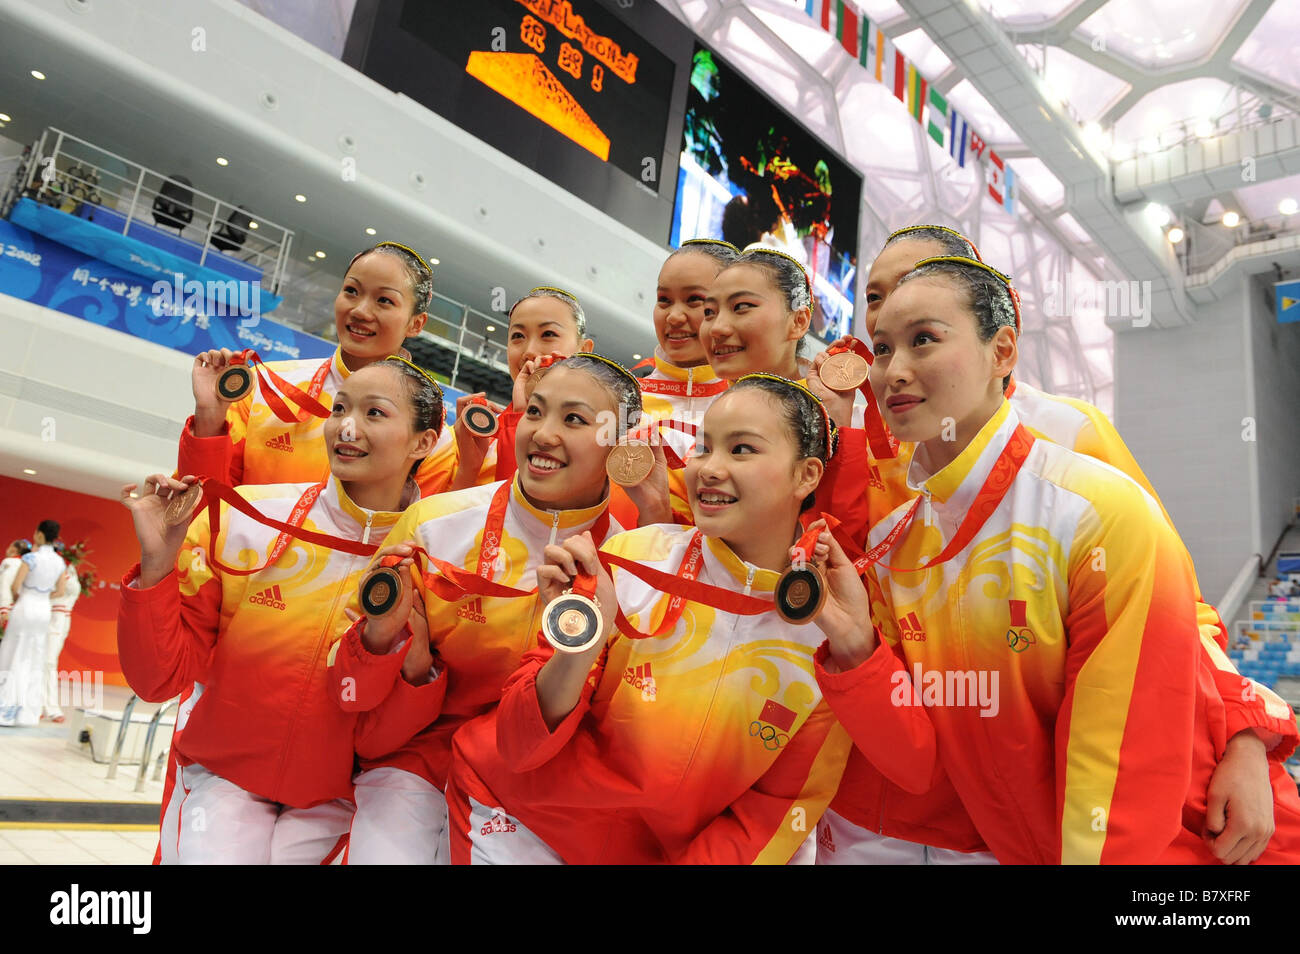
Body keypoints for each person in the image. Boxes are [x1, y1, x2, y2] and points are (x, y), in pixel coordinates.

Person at [813, 226, 1295, 865]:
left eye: (923, 313)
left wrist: (1246, 738)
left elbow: (1175, 614)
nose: (896, 315)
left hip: (1084, 825)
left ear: (994, 326)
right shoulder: (867, 452)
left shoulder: (1068, 441)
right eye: (879, 302)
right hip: (929, 806)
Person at [443, 375, 853, 864]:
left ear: (807, 475)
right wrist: (582, 648)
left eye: (741, 449)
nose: (709, 469)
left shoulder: (830, 622)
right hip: (519, 821)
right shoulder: (631, 558)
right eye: (703, 448)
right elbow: (518, 745)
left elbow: (777, 809)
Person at [117, 358, 447, 863]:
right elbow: (158, 681)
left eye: (375, 413)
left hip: (341, 799)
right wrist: (157, 566)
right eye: (339, 408)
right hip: (221, 777)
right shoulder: (246, 517)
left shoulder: (432, 559)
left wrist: (397, 648)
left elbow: (392, 730)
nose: (346, 427)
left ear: (423, 442)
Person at [335, 353, 638, 864]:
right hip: (417, 759)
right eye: (536, 412)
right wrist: (401, 654)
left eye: (574, 420)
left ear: (620, 445)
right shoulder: (434, 524)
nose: (542, 434)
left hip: (541, 783)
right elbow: (354, 685)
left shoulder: (631, 565)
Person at [177, 241, 459, 497]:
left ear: (416, 324)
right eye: (351, 291)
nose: (360, 310)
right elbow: (204, 506)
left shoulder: (428, 436)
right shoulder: (266, 387)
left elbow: (409, 537)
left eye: (384, 300)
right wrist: (210, 418)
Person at [448, 286, 594, 491]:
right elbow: (442, 518)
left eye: (548, 334)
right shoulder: (478, 435)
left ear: (584, 350)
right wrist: (468, 468)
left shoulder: (604, 436)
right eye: (518, 336)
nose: (530, 351)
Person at [636, 239, 738, 522]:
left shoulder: (755, 410)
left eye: (694, 299)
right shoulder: (616, 399)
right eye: (664, 300)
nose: (674, 316)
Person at [701, 246, 812, 385]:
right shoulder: (696, 397)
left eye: (741, 307)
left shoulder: (834, 404)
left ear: (798, 321)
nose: (716, 329)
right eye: (709, 312)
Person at [0, 522, 66, 726]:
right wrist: (44, 597)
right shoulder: (59, 562)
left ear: (38, 534)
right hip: (43, 610)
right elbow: (61, 591)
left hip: (25, 608)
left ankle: (5, 710)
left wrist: (25, 596)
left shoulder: (30, 558)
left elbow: (15, 586)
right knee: (34, 658)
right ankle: (27, 714)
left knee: (12, 654)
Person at [42, 553, 82, 722]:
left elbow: (69, 589)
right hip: (47, 616)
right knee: (43, 662)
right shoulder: (49, 569)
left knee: (48, 662)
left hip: (57, 619)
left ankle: (47, 707)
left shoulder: (66, 570)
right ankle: (41, 707)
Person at [0, 539, 32, 629]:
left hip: (6, 608)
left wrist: (3, 609)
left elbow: (4, 585)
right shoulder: (26, 566)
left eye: (10, 546)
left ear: (15, 549)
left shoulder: (9, 562)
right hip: (19, 611)